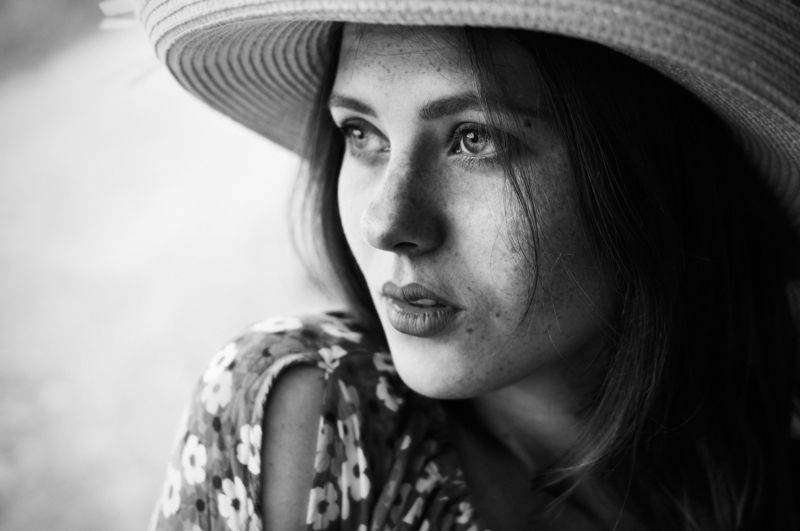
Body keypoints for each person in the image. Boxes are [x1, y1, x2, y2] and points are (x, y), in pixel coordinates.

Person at [139, 1, 800, 529]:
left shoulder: (774, 419)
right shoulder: (308, 419)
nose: (385, 223)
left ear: (655, 176)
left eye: (475, 138)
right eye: (361, 134)